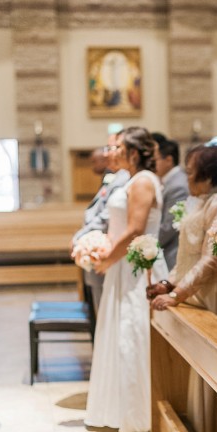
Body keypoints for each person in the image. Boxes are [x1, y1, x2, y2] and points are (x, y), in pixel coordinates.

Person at [149, 143, 217, 432]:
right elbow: (188, 255)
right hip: (203, 292)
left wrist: (178, 294)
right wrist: (169, 283)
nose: (187, 180)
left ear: (208, 177)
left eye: (192, 173)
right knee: (205, 367)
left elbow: (213, 259)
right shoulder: (209, 200)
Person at [84, 127, 167, 432]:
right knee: (117, 333)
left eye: (117, 147)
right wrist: (97, 244)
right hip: (124, 265)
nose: (111, 152)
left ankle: (137, 411)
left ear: (133, 152)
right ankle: (116, 407)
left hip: (137, 266)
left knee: (132, 333)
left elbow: (135, 229)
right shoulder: (131, 180)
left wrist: (108, 257)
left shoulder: (144, 181)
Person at [71, 132, 129, 317]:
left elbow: (106, 216)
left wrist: (80, 238)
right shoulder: (112, 175)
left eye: (111, 148)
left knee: (108, 312)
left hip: (112, 251)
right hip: (102, 249)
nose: (106, 154)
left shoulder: (126, 178)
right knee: (100, 312)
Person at [154, 137, 189, 271]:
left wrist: (147, 246)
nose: (153, 163)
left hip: (171, 252)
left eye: (156, 159)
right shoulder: (169, 181)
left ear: (168, 160)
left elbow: (169, 227)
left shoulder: (177, 185)